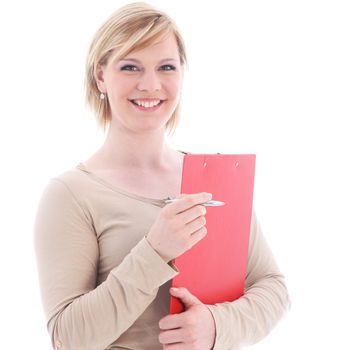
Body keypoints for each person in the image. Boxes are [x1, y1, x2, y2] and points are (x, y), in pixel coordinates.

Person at [34, 2, 290, 350]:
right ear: (100, 77)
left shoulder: (214, 177)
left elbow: (273, 288)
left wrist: (216, 326)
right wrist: (154, 251)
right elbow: (68, 338)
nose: (150, 84)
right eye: (130, 67)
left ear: (181, 74)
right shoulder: (71, 194)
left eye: (166, 67)